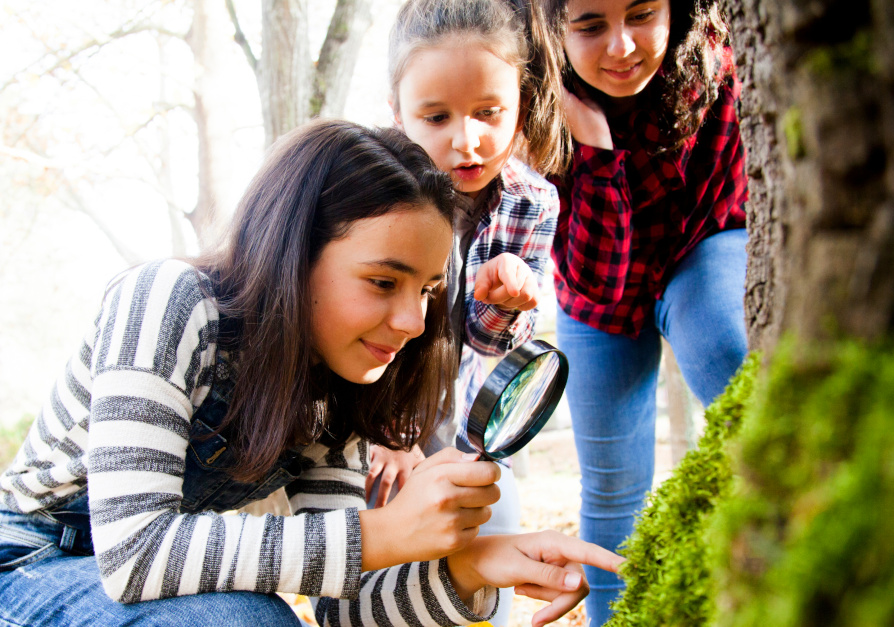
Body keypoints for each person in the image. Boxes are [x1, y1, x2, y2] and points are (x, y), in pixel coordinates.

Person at [0, 119, 623, 627]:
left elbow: (344, 611)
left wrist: (469, 568)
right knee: (242, 623)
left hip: (137, 590)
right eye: (383, 281)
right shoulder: (167, 301)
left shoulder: (335, 387)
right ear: (293, 256)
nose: (412, 321)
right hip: (28, 562)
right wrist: (378, 534)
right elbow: (134, 552)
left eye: (429, 290)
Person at [540, 0, 749, 622]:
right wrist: (595, 149)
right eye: (590, 25)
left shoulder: (713, 66)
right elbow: (599, 283)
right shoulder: (534, 101)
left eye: (641, 15)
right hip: (596, 297)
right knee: (611, 491)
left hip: (700, 245)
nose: (622, 46)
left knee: (722, 342)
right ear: (555, 29)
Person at [369, 1, 569, 624]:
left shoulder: (531, 202)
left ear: (520, 100)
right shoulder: (374, 196)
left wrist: (505, 305)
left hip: (470, 409)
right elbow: (363, 329)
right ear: (398, 116)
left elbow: (492, 345)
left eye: (489, 112)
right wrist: (391, 431)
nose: (467, 139)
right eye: (436, 116)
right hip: (379, 405)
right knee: (388, 536)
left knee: (490, 525)